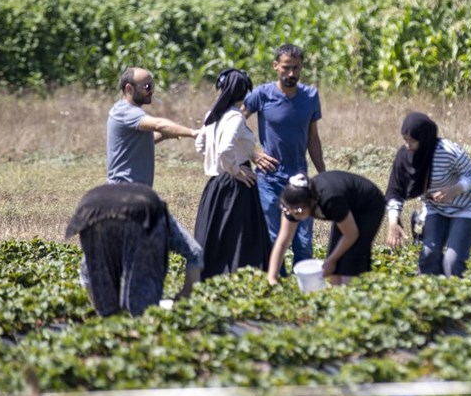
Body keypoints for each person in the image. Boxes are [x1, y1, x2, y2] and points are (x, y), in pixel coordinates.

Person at [185, 68, 271, 297]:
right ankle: (238, 282)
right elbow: (225, 149)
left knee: (215, 233)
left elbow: (201, 145)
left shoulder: (211, 115)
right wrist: (236, 170)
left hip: (215, 184)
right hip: (236, 185)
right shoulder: (234, 117)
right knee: (240, 235)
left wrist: (217, 162)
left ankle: (211, 281)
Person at [245, 44, 326, 275]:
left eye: (296, 68)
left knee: (303, 239)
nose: (291, 74)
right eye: (286, 68)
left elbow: (313, 139)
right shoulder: (262, 94)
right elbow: (235, 123)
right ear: (275, 66)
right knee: (273, 236)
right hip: (269, 178)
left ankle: (303, 287)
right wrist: (253, 153)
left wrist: (323, 174)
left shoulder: (310, 96)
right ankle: (276, 284)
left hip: (299, 179)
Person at [65, 183, 203, 316]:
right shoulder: (158, 213)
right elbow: (194, 252)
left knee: (107, 310)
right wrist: (185, 295)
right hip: (142, 211)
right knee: (142, 308)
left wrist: (99, 306)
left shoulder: (154, 209)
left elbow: (87, 272)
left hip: (90, 211)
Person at [385, 112, 471, 277]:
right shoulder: (404, 157)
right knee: (429, 256)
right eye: (405, 139)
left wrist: (455, 189)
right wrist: (393, 223)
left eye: (413, 140)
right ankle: (429, 298)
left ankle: (456, 298)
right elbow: (394, 192)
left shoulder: (447, 151)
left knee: (452, 261)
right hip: (436, 208)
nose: (408, 145)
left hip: (467, 207)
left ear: (425, 139)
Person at [265, 171, 384, 287]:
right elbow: (282, 243)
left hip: (368, 205)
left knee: (351, 261)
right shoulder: (292, 205)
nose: (296, 217)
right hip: (345, 206)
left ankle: (353, 298)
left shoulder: (330, 199)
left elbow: (351, 234)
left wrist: (331, 260)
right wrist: (272, 277)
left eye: (299, 212)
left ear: (311, 202)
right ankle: (337, 300)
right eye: (290, 211)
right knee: (335, 268)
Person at [107, 67, 198, 187]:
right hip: (126, 190)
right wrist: (193, 133)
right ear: (129, 88)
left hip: (132, 188)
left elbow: (137, 143)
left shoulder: (123, 109)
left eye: (152, 86)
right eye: (147, 87)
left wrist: (168, 133)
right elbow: (158, 124)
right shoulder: (126, 112)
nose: (151, 91)